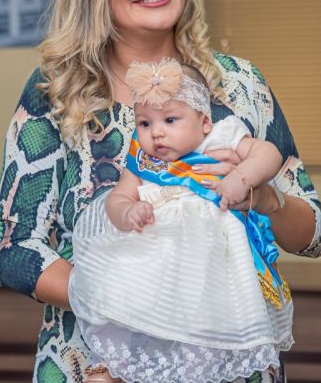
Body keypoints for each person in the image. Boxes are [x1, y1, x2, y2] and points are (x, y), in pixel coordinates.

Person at [0, 0, 321, 382]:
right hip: (97, 366)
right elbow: (15, 250)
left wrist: (266, 199)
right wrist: (129, 302)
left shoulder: (239, 85)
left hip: (231, 366)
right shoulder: (58, 91)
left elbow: (314, 235)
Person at [69, 58, 293, 383]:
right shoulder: (142, 158)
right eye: (145, 123)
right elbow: (117, 198)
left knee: (203, 341)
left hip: (207, 267)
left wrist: (242, 178)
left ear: (204, 121)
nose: (156, 132)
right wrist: (127, 212)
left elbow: (269, 154)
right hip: (151, 272)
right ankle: (116, 368)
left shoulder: (222, 136)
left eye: (170, 119)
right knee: (127, 325)